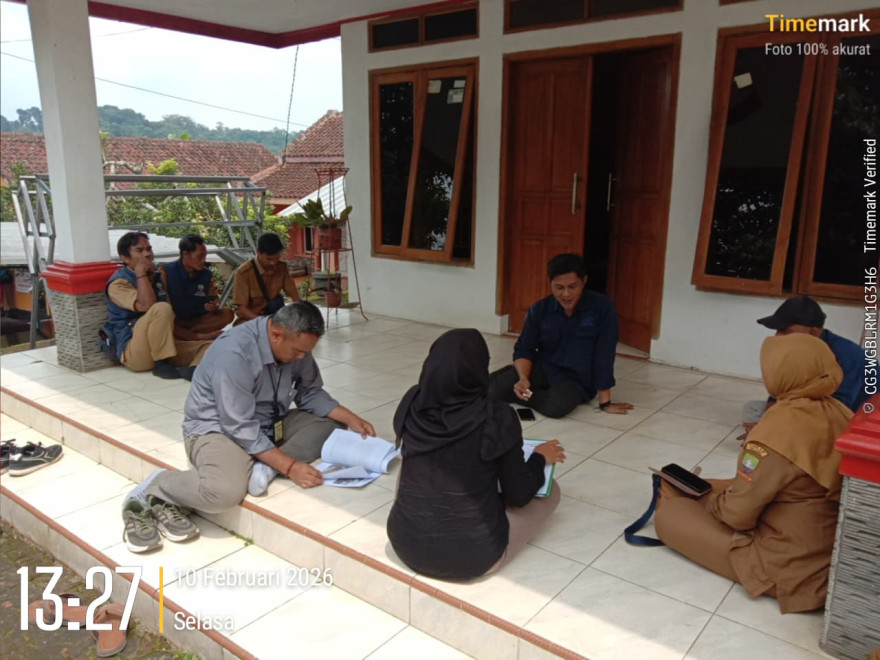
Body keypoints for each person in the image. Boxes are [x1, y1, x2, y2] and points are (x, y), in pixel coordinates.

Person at [119, 301, 376, 553]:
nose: (302, 357)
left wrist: (351, 418)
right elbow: (239, 426)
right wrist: (290, 466)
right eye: (298, 352)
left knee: (330, 424)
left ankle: (265, 466)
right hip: (219, 430)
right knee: (223, 492)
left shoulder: (296, 345)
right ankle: (158, 486)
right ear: (276, 334)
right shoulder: (234, 353)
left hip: (268, 422)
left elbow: (309, 392)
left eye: (306, 352)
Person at [655, 333, 853, 613]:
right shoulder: (839, 411)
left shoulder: (777, 429)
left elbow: (737, 516)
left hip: (789, 568)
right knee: (711, 486)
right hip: (826, 551)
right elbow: (786, 481)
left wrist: (705, 500)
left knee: (671, 513)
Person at [387, 329, 566, 581]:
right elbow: (519, 496)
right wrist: (539, 458)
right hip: (475, 558)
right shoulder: (497, 416)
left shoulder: (413, 401)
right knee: (552, 490)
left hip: (405, 545)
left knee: (416, 465)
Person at [489, 253, 632, 418]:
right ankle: (518, 382)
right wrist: (523, 378)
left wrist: (605, 402)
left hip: (576, 379)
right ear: (550, 283)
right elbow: (525, 348)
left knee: (556, 406)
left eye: (572, 287)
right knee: (493, 389)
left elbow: (604, 354)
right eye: (559, 288)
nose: (566, 294)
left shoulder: (602, 308)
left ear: (584, 281)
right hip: (545, 368)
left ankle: (525, 394)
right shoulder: (540, 309)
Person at [741, 295, 869, 435]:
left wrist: (775, 426)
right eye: (777, 330)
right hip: (806, 406)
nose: (778, 336)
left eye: (785, 330)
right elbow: (781, 391)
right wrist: (767, 421)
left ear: (813, 331)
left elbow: (837, 409)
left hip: (854, 417)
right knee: (752, 409)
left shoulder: (847, 355)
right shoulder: (797, 350)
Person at [104, 232, 211, 380]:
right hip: (135, 352)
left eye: (149, 249)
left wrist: (197, 337)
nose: (147, 254)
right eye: (140, 250)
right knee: (161, 308)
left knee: (209, 346)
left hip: (161, 346)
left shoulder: (156, 276)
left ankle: (192, 371)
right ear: (125, 258)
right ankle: (162, 364)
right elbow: (147, 306)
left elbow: (168, 320)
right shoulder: (119, 283)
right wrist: (140, 273)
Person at [161, 234, 233, 341]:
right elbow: (162, 303)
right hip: (175, 320)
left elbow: (213, 297)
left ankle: (187, 334)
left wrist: (213, 306)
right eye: (200, 257)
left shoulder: (207, 275)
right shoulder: (166, 271)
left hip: (197, 321)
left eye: (205, 256)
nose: (203, 260)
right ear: (185, 254)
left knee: (228, 314)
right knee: (164, 321)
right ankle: (198, 336)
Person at [232, 232, 300, 325]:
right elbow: (242, 310)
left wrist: (302, 312)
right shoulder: (243, 273)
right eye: (269, 259)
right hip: (253, 318)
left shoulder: (281, 267)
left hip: (274, 314)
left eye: (277, 258)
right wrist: (265, 322)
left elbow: (295, 296)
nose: (273, 263)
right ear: (259, 252)